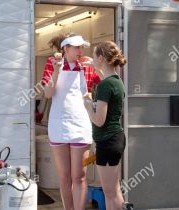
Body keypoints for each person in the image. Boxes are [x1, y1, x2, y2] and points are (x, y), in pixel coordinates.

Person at [42, 34, 100, 210]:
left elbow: (108, 81)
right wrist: (55, 70)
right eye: (77, 47)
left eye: (82, 47)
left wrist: (97, 66)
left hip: (81, 125)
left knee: (79, 177)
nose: (80, 51)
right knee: (64, 177)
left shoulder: (87, 67)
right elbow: (47, 93)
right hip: (59, 125)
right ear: (65, 49)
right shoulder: (53, 64)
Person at [84, 41, 127, 210]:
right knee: (113, 190)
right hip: (114, 140)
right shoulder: (116, 81)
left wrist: (88, 106)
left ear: (101, 58)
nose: (92, 59)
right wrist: (95, 67)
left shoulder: (104, 86)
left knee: (110, 192)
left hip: (108, 141)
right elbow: (106, 84)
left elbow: (99, 120)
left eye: (94, 56)